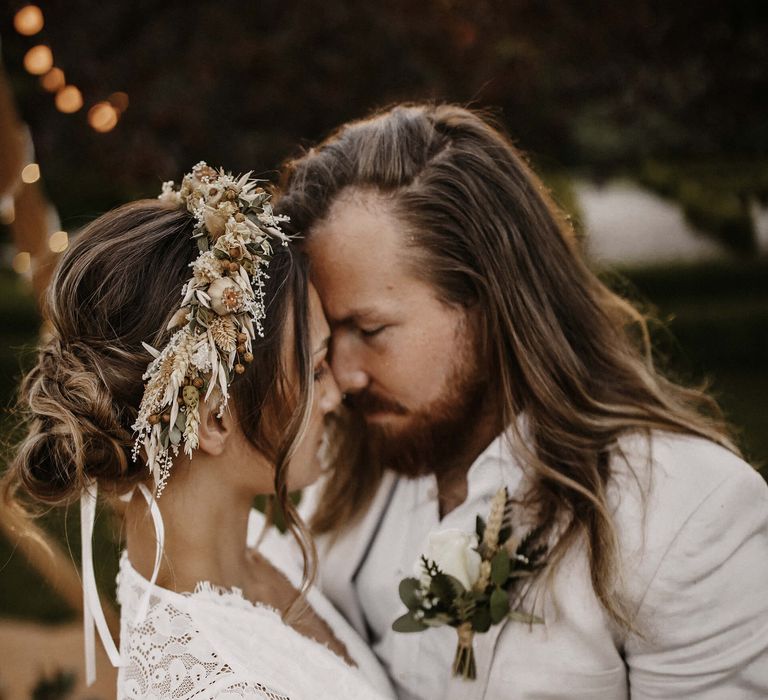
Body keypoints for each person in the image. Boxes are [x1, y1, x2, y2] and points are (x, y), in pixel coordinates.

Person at [276, 104, 768, 699]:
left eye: (372, 330)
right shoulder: (342, 479)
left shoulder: (686, 513)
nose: (345, 376)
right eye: (331, 335)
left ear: (489, 301)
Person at [3, 164, 394, 699]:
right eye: (316, 368)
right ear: (213, 420)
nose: (339, 391)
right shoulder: (214, 686)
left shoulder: (253, 550)